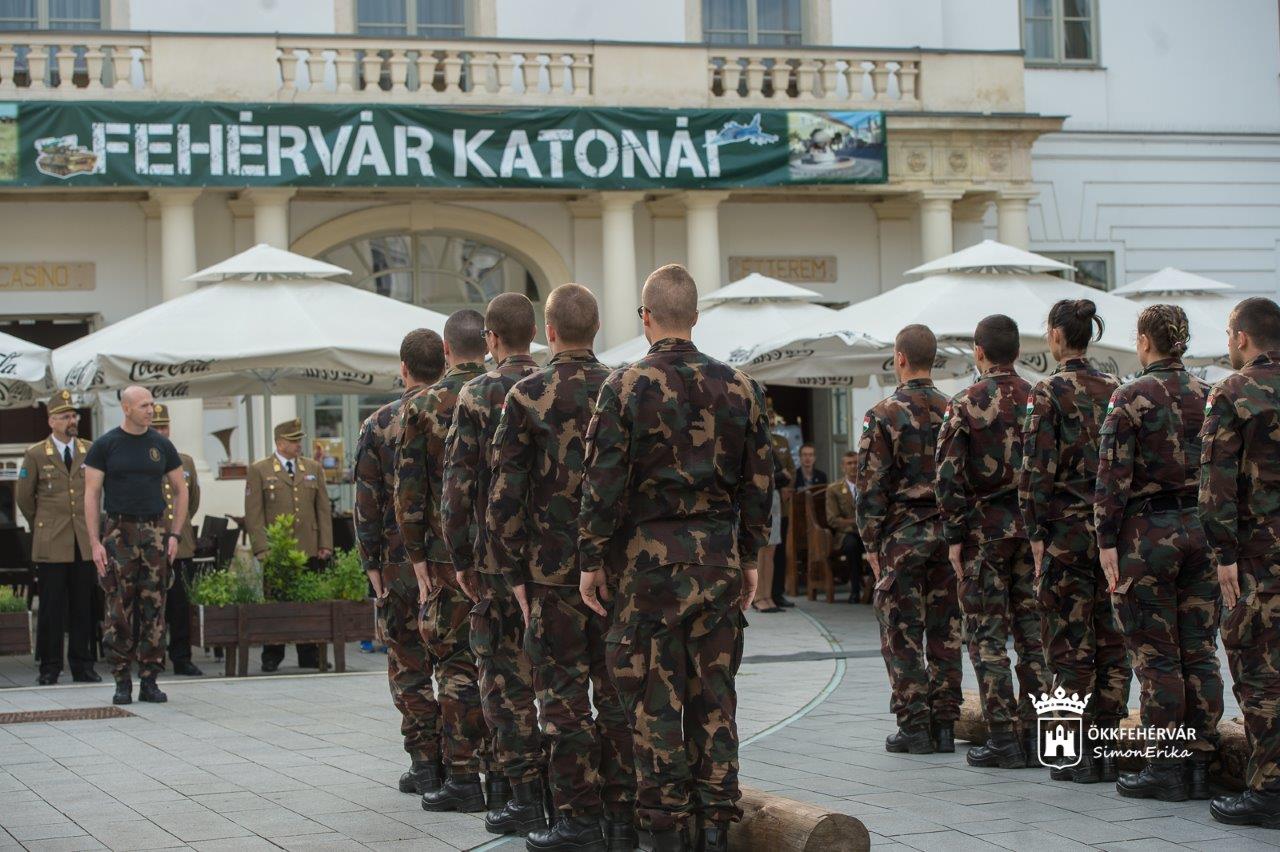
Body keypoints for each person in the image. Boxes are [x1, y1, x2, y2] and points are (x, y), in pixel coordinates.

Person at [579, 264, 773, 852]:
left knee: (654, 703)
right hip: (715, 560)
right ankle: (715, 826)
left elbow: (602, 481)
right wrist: (749, 557)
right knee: (714, 698)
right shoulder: (741, 386)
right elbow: (760, 483)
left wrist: (590, 558)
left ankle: (664, 832)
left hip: (647, 569)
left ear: (645, 317)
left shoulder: (624, 385)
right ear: (695, 317)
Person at [487, 284, 636, 852]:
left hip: (550, 578)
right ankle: (623, 816)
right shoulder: (625, 386)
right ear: (595, 329)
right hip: (618, 572)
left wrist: (511, 576)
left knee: (563, 700)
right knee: (618, 692)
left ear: (549, 332)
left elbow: (505, 495)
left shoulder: (527, 395)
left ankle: (579, 819)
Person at [1096, 303, 1223, 801]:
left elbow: (1112, 478)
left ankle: (1165, 767)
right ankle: (1200, 764)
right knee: (1201, 653)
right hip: (1203, 531)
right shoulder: (1211, 394)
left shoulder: (1130, 397)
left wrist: (1106, 541)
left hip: (1147, 534)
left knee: (1157, 659)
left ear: (1145, 342)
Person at [441, 293, 544, 836]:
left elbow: (456, 489)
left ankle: (521, 794)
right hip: (562, 563)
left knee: (504, 681)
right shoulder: (555, 386)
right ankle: (582, 799)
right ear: (536, 332)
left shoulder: (479, 392)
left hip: (497, 564)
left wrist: (462, 559)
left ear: (492, 340)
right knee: (565, 684)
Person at [1018, 300, 1128, 783]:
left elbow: (1035, 473)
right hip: (1112, 536)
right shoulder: (1117, 389)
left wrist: (1036, 534)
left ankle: (1073, 752)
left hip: (1063, 534)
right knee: (1112, 642)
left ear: (1059, 337)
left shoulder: (1048, 392)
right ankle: (1108, 747)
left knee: (1067, 645)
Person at [936, 314, 1049, 768]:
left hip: (984, 534)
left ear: (978, 352)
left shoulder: (965, 402)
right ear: (1017, 352)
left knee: (986, 635)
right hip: (1031, 532)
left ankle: (1003, 736)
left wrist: (954, 536)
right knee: (1033, 635)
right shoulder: (1040, 399)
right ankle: (1044, 734)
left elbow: (948, 478)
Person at [394, 311, 493, 815]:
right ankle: (507, 778)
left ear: (448, 351)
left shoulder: (426, 404)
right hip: (509, 556)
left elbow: (408, 493)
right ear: (489, 344)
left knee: (456, 664)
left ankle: (461, 775)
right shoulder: (511, 391)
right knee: (506, 668)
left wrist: (416, 557)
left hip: (445, 558)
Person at [856, 325, 962, 755]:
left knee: (901, 631)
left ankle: (915, 723)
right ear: (932, 359)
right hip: (948, 534)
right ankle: (944, 725)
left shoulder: (883, 414)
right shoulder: (956, 409)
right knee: (946, 629)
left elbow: (870, 487)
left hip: (901, 537)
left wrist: (869, 544)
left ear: (899, 357)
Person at [354, 329, 446, 797]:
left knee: (408, 663)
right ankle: (464, 761)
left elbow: (365, 502)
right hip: (451, 561)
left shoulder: (379, 423)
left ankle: (425, 762)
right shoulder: (456, 412)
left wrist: (370, 561)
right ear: (444, 363)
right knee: (459, 663)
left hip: (396, 563)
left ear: (404, 368)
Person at [1201, 297, 1280, 826]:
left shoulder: (1231, 392)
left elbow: (1216, 485)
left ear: (1240, 337)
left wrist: (1223, 555)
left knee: (1260, 673)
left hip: (1258, 558)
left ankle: (1268, 792)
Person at [82, 386, 187, 705]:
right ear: (125, 408)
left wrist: (174, 535)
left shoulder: (161, 445)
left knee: (155, 606)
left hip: (155, 531)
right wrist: (95, 543)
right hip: (118, 531)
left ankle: (150, 679)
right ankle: (121, 679)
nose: (150, 410)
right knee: (118, 607)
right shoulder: (105, 445)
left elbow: (181, 489)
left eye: (152, 405)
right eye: (143, 405)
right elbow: (91, 494)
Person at [16, 388, 98, 685]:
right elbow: (25, 498)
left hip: (83, 541)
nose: (71, 420)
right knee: (51, 607)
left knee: (83, 605)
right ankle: (50, 666)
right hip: (51, 541)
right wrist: (43, 525)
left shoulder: (90, 450)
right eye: (65, 416)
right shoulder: (36, 453)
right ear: (52, 421)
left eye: (73, 415)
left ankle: (83, 665)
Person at [244, 418, 333, 672]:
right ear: (280, 443)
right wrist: (261, 548)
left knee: (309, 602)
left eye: (298, 440)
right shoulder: (260, 469)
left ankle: (310, 653)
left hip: (308, 547)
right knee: (276, 604)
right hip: (277, 551)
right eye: (293, 441)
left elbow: (323, 509)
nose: (297, 445)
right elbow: (254, 514)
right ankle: (272, 653)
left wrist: (325, 543)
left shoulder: (313, 467)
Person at [152, 403, 204, 677]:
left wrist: (179, 526)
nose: (161, 431)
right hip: (152, 541)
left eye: (164, 426)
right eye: (156, 426)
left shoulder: (185, 461)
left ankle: (182, 656)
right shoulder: (142, 460)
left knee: (180, 604)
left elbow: (191, 499)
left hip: (180, 544)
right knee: (152, 604)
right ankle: (153, 656)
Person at [754, 433, 792, 614]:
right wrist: (779, 476)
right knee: (761, 550)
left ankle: (768, 595)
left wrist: (778, 476)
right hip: (759, 498)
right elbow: (757, 475)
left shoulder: (769, 445)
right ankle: (758, 596)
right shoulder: (752, 444)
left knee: (771, 551)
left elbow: (785, 475)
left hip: (773, 497)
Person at [826, 451, 866, 604]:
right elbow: (833, 519)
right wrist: (855, 522)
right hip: (846, 534)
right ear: (843, 467)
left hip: (867, 532)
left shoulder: (867, 485)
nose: (853, 466)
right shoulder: (834, 489)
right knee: (852, 545)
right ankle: (855, 590)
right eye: (849, 463)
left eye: (856, 462)